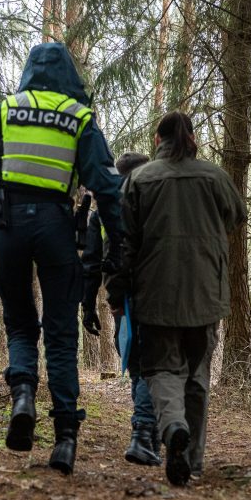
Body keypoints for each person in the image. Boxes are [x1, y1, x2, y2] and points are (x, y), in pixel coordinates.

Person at [0, 42, 124, 475]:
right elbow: (107, 188)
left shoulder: (5, 111)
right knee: (61, 336)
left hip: (6, 225)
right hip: (55, 225)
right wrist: (119, 240)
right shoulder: (79, 118)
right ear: (69, 73)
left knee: (18, 322)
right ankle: (66, 441)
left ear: (28, 71)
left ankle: (24, 397)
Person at [107, 111, 247, 486]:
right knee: (197, 377)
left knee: (161, 370)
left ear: (157, 140)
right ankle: (193, 461)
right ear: (191, 138)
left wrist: (115, 292)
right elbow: (237, 215)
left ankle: (172, 427)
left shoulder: (139, 179)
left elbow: (122, 243)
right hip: (206, 294)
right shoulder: (215, 177)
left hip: (154, 295)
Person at [80, 151, 161, 467]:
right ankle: (144, 434)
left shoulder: (104, 210)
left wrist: (88, 305)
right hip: (149, 295)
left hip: (122, 300)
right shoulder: (153, 201)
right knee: (149, 366)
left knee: (140, 364)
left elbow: (91, 262)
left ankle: (148, 434)